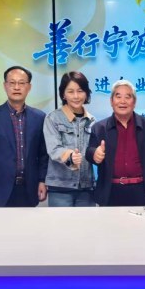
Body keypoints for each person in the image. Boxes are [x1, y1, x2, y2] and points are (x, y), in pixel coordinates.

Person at [0, 66, 48, 208]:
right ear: (5, 86)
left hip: (28, 189)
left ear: (29, 87)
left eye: (21, 83)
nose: (16, 87)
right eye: (12, 83)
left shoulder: (39, 117)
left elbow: (43, 154)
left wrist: (42, 180)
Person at [86, 80, 145, 206]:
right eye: (118, 96)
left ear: (134, 102)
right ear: (111, 101)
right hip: (111, 192)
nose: (123, 101)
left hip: (141, 191)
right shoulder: (99, 128)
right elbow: (89, 152)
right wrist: (94, 154)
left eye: (128, 97)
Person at [43, 71, 96, 207]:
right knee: (62, 222)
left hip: (86, 187)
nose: (76, 96)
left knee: (87, 222)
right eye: (71, 91)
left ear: (86, 93)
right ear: (63, 94)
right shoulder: (53, 118)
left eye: (80, 91)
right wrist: (70, 156)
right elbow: (53, 149)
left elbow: (93, 153)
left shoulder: (92, 121)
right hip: (60, 187)